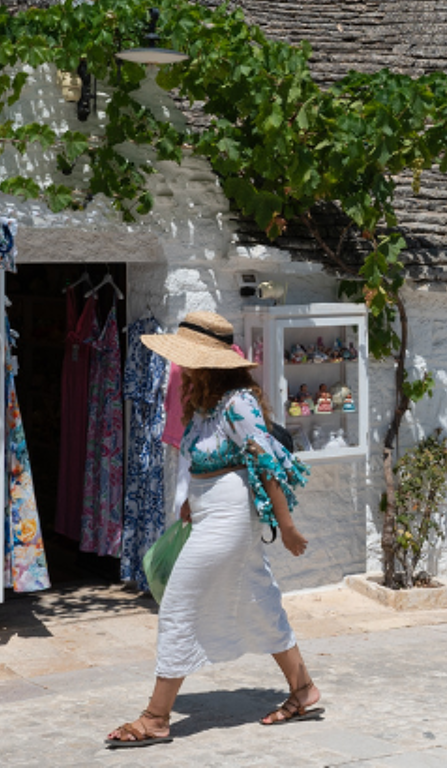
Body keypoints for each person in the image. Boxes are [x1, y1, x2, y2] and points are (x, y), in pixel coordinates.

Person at [106, 312, 318, 749]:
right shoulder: (206, 405)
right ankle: (303, 690)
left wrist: (287, 527)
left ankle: (156, 717)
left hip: (229, 517)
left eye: (188, 359)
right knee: (258, 599)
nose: (182, 367)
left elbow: (265, 463)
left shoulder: (238, 403)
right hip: (210, 513)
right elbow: (204, 462)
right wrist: (190, 500)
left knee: (179, 603)